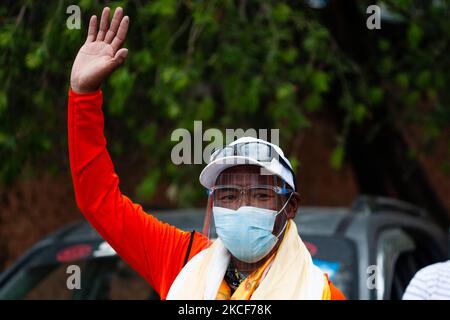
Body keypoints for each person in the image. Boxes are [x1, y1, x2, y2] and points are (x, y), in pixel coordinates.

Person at [68, 6, 345, 300]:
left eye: (260, 195)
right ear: (212, 205)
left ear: (290, 207)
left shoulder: (321, 293)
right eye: (228, 195)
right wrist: (83, 96)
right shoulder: (182, 260)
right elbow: (99, 200)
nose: (241, 207)